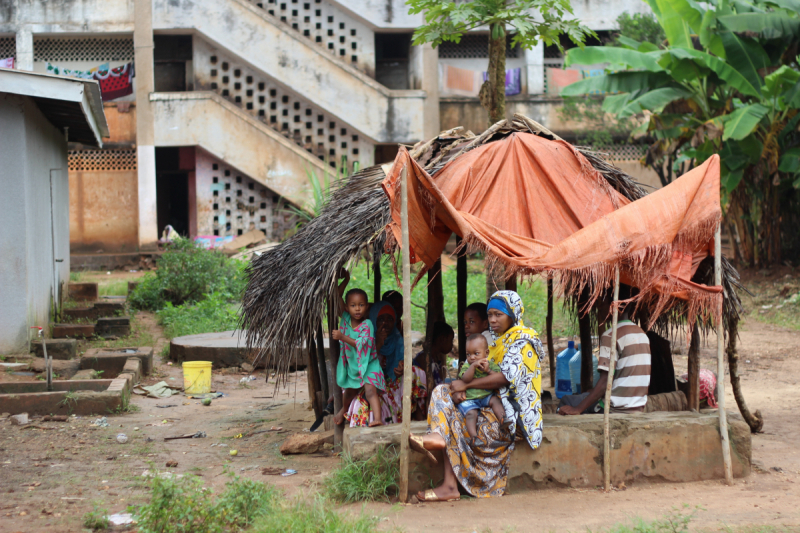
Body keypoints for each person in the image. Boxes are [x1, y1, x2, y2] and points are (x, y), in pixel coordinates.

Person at [408, 290, 545, 501]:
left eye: (498, 314)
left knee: (453, 415)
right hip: (490, 404)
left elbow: (504, 379)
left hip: (510, 418)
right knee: (442, 393)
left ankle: (449, 483)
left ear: (513, 314)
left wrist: (464, 384)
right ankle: (439, 442)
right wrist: (461, 390)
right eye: (490, 315)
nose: (492, 320)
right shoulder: (497, 342)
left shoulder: (523, 342)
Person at [558, 287, 651, 415]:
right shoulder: (642, 335)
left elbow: (604, 383)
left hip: (614, 409)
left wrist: (577, 409)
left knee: (566, 400)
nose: (599, 308)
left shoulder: (611, 336)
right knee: (587, 393)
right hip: (637, 407)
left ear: (615, 306)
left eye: (603, 304)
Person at [345, 301, 428, 426]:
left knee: (416, 372)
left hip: (390, 383)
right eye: (380, 319)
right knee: (362, 403)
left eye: (390, 319)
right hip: (368, 384)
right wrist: (378, 344)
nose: (385, 323)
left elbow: (402, 361)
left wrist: (401, 367)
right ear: (373, 320)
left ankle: (416, 412)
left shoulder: (397, 340)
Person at [331, 272, 384, 427]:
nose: (357, 309)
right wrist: (346, 279)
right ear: (347, 307)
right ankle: (344, 409)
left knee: (370, 392)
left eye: (361, 305)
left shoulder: (367, 325)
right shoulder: (346, 319)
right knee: (348, 393)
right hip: (353, 365)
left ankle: (377, 419)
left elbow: (360, 344)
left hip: (369, 364)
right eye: (353, 305)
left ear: (366, 307)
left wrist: (342, 337)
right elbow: (337, 296)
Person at [458, 334, 507, 444]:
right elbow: (465, 379)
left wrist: (488, 370)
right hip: (470, 399)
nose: (472, 357)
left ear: (487, 353)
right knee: (471, 414)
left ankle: (503, 419)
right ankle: (474, 437)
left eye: (476, 353)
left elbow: (497, 378)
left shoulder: (491, 365)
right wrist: (472, 367)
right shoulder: (467, 366)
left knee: (495, 400)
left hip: (486, 396)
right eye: (468, 354)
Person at [413, 321, 454, 386]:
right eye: (451, 340)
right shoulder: (424, 359)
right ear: (443, 339)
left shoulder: (437, 357)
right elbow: (431, 387)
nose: (452, 345)